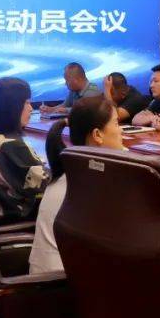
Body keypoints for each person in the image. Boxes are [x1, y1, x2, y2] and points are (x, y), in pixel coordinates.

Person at [29, 95, 126, 273]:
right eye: (116, 123)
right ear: (97, 135)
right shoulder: (94, 183)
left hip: (52, 279)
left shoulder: (70, 170)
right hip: (62, 283)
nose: (121, 131)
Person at [0, 77, 50, 225]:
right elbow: (45, 182)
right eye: (27, 103)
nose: (31, 109)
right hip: (7, 221)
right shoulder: (12, 145)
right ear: (13, 107)